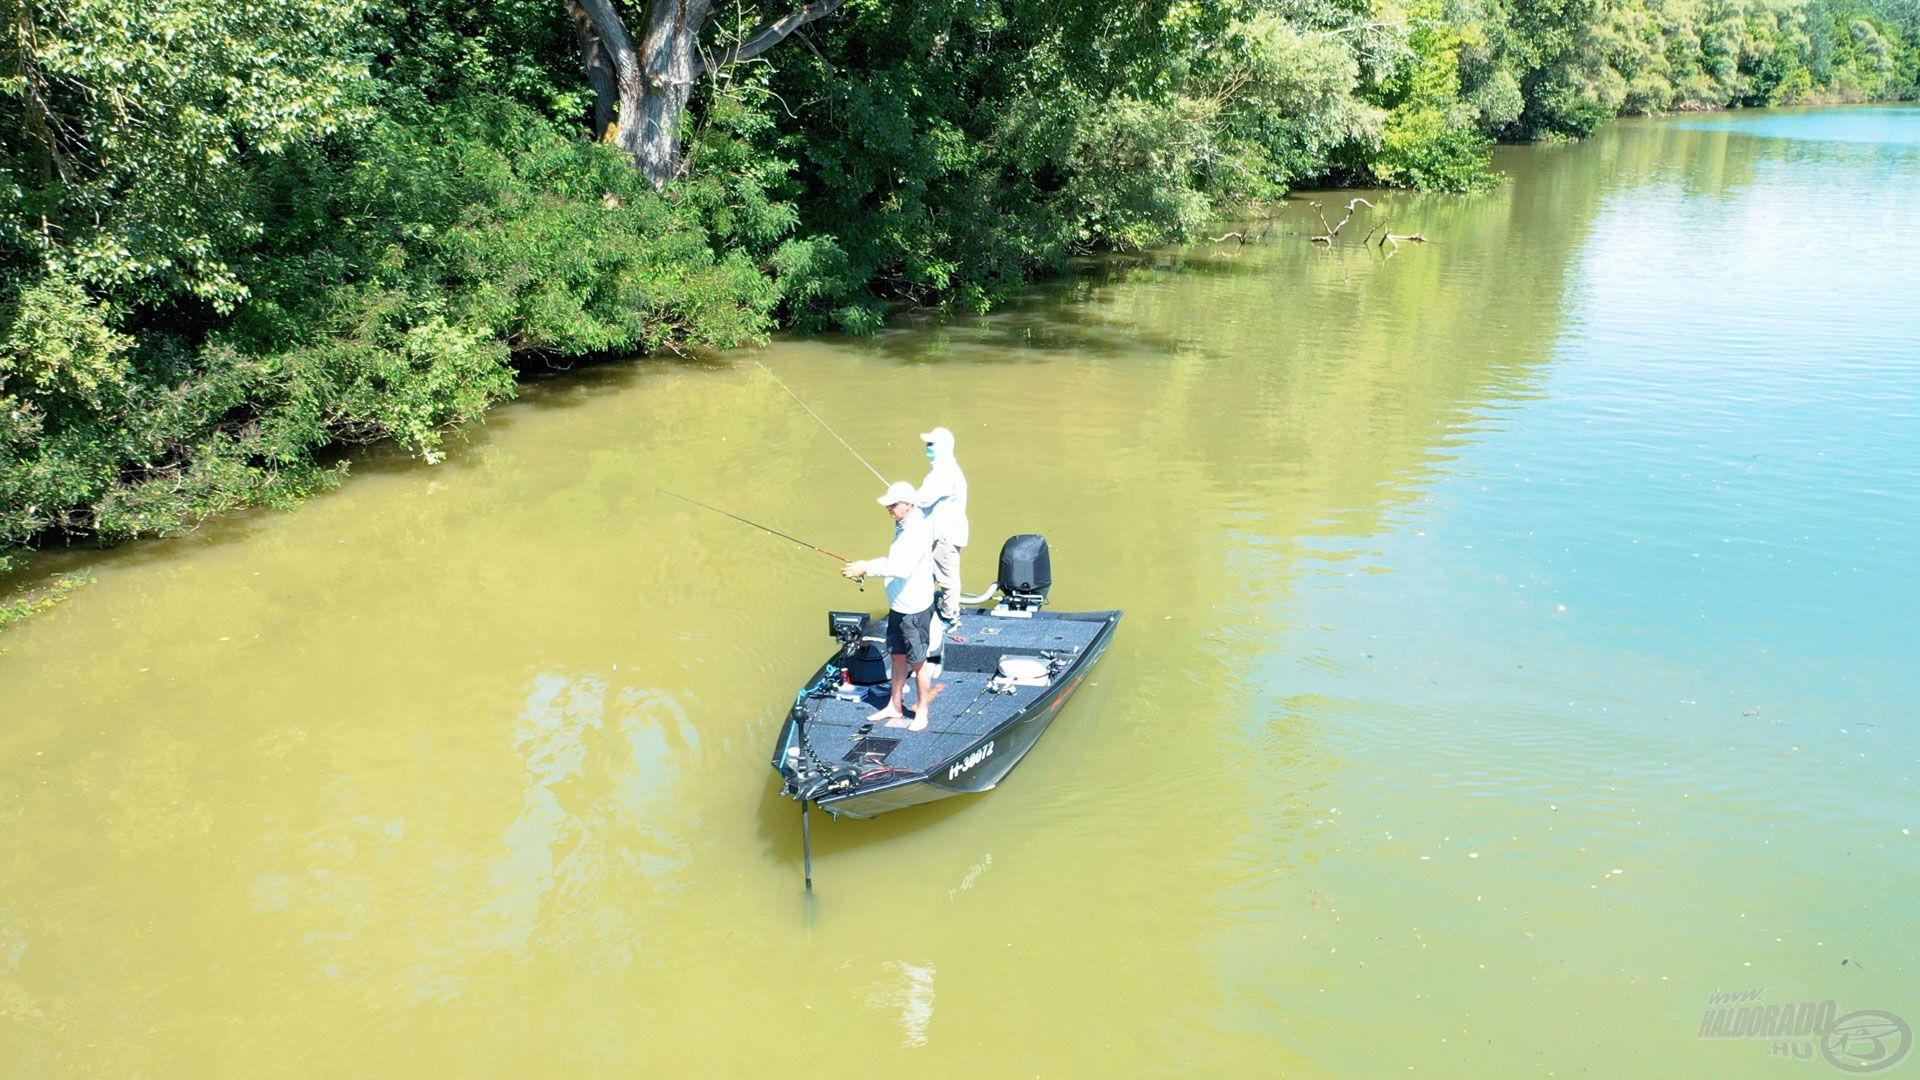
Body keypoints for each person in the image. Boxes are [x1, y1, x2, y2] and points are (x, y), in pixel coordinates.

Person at [842, 481, 944, 730]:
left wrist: (867, 567)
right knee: (898, 657)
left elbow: (901, 567)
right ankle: (894, 705)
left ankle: (922, 712)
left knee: (919, 662)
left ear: (908, 505)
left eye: (892, 504)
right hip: (899, 606)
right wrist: (866, 564)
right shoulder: (904, 523)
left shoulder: (916, 531)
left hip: (914, 609)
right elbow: (894, 559)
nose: (888, 508)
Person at [914, 427, 969, 627]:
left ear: (943, 447)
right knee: (937, 574)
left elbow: (924, 499)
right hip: (941, 531)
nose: (927, 448)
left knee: (947, 579)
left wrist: (906, 499)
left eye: (931, 444)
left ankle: (950, 618)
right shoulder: (942, 469)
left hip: (946, 533)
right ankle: (938, 611)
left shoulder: (944, 472)